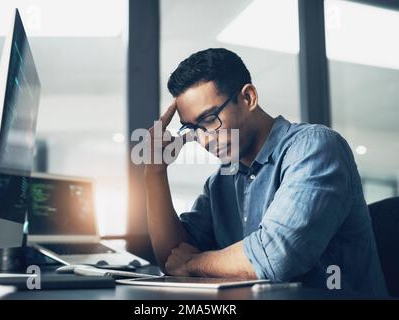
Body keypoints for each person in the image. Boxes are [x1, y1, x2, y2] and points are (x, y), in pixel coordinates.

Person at [144, 48, 387, 295]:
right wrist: (154, 172)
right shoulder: (221, 181)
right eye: (193, 128)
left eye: (209, 120)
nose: (204, 140)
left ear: (248, 98)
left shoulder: (315, 148)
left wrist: (192, 263)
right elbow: (172, 258)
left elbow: (276, 256)